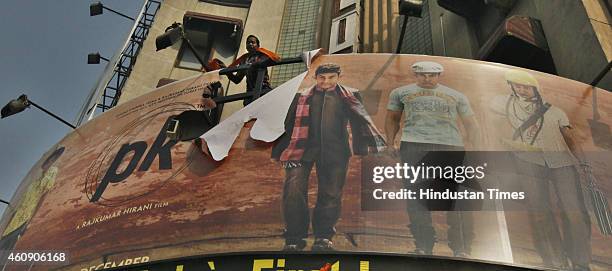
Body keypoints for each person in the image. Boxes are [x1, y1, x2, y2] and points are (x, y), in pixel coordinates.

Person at [271, 63, 386, 251]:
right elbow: (289, 123)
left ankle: (323, 238)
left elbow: (361, 121)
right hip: (300, 150)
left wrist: (362, 147)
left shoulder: (349, 95)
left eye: (331, 77)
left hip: (336, 151)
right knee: (292, 191)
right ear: (316, 78)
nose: (326, 82)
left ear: (338, 77)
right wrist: (280, 150)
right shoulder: (301, 96)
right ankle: (294, 238)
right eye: (322, 78)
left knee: (331, 194)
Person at [490, 69, 592, 271]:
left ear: (535, 88)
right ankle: (555, 261)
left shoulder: (555, 111)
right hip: (527, 160)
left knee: (575, 213)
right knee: (540, 211)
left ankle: (580, 262)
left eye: (526, 86)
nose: (521, 90)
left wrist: (584, 163)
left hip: (561, 162)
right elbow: (491, 121)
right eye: (517, 85)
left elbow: (570, 139)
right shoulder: (504, 104)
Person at [385, 61, 481, 257]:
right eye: (422, 75)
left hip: (451, 146)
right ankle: (423, 245)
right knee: (416, 197)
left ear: (439, 76)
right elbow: (392, 118)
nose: (427, 79)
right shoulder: (400, 92)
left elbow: (471, 124)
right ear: (416, 75)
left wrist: (474, 148)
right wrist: (390, 142)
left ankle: (461, 248)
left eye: (432, 75)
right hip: (414, 145)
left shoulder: (456, 95)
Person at [224, 35, 280, 106]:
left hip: (263, 89)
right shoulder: (243, 60)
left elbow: (275, 58)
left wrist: (255, 64)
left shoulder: (262, 55)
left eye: (253, 42)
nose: (250, 44)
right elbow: (237, 79)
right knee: (249, 113)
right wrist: (227, 72)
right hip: (250, 92)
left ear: (258, 45)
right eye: (248, 43)